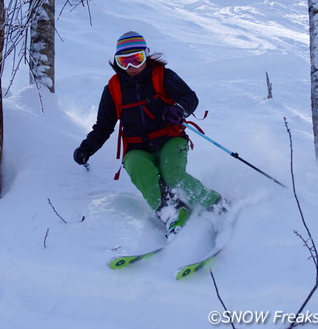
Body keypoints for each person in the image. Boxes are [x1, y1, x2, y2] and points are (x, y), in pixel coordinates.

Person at [73, 31, 226, 236]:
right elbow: (103, 126)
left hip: (170, 139)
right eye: (124, 61)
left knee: (172, 173)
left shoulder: (162, 76)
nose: (131, 67)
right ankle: (170, 211)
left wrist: (179, 109)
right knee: (138, 168)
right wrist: (87, 148)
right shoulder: (113, 89)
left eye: (136, 59)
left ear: (146, 55)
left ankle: (215, 203)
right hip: (137, 147)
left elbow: (189, 97)